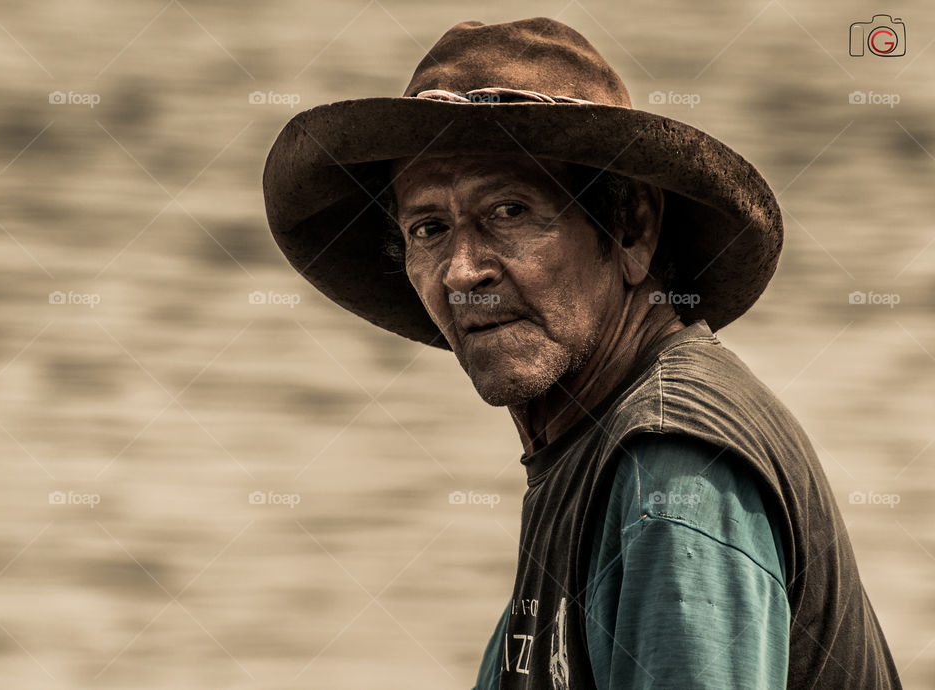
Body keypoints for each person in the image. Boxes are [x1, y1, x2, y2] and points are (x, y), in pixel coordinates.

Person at [262, 16, 902, 689]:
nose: (461, 271)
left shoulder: (671, 473)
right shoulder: (587, 459)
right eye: (429, 228)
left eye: (510, 211)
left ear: (631, 228)